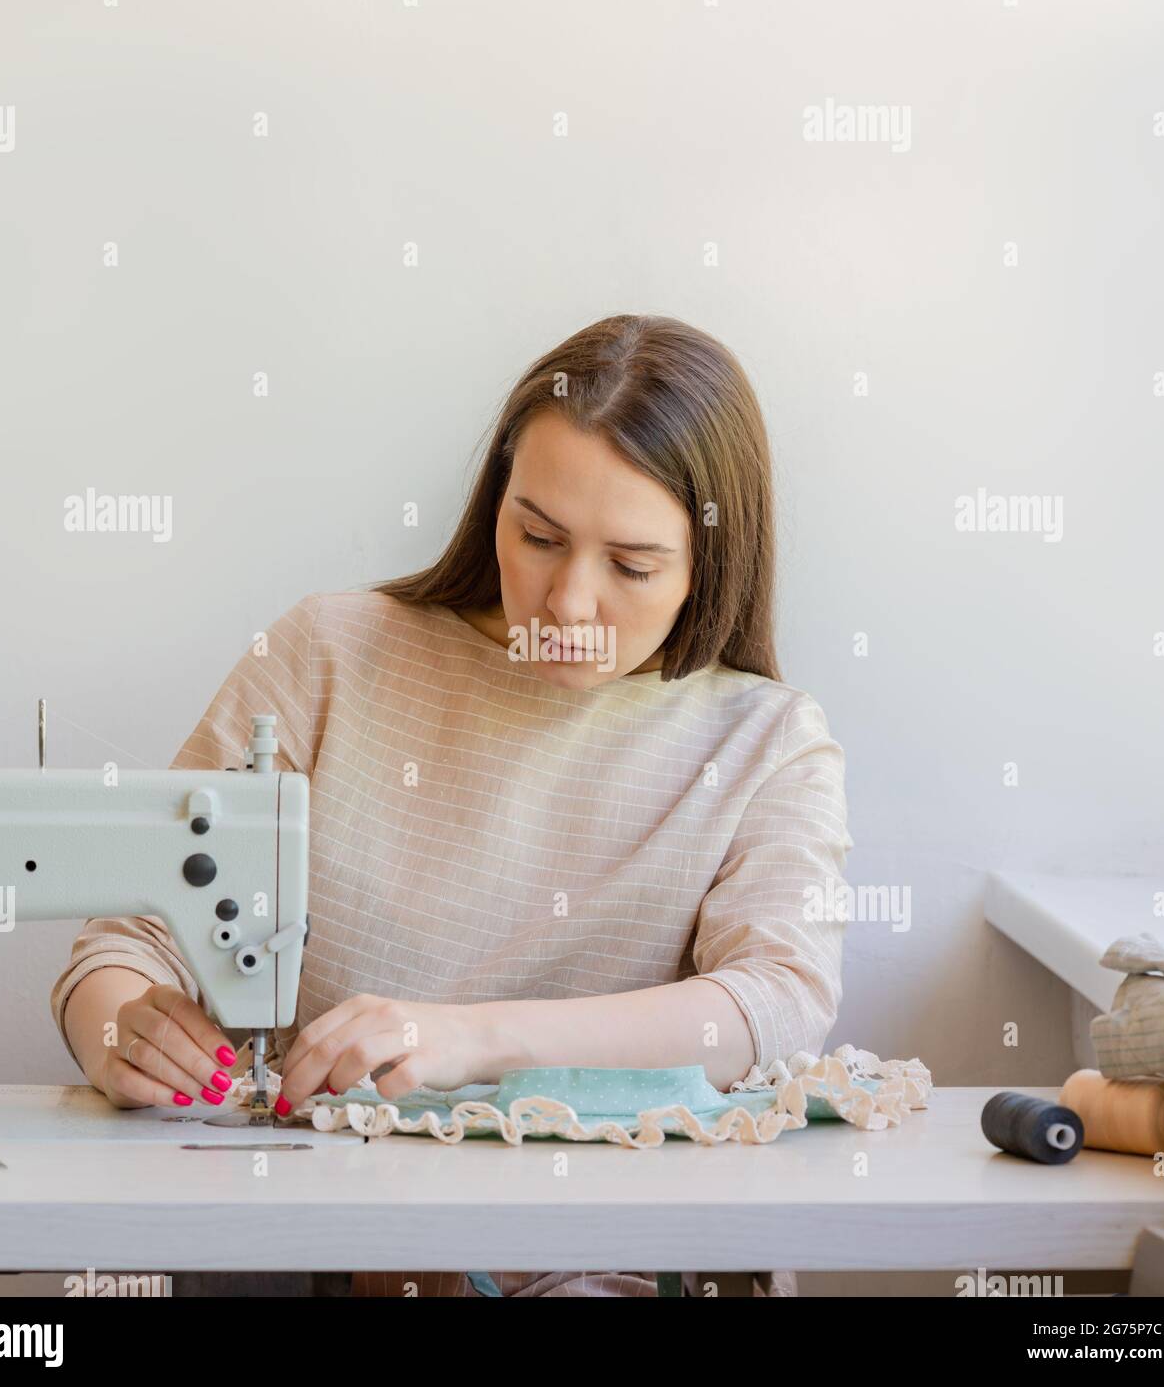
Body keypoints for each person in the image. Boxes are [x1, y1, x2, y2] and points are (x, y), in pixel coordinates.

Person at [50, 313, 852, 1297]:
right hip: (316, 1236)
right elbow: (129, 935)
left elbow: (778, 1000)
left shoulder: (765, 741)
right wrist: (120, 1035)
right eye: (538, 536)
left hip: (583, 1253)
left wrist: (466, 1036)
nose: (566, 602)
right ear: (495, 502)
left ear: (708, 564)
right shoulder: (330, 653)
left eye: (632, 565)